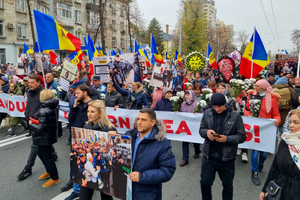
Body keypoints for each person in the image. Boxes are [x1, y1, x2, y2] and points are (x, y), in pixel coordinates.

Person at [119, 108, 176, 200]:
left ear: (152, 123)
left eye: (143, 120)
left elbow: (167, 171)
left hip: (148, 194)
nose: (139, 122)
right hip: (128, 190)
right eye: (138, 119)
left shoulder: (162, 143)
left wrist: (141, 176)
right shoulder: (129, 136)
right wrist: (112, 137)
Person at [199, 93, 246, 200]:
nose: (217, 109)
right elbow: (201, 130)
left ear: (225, 104)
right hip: (208, 156)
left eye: (219, 106)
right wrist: (207, 133)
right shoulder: (207, 113)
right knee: (205, 183)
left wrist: (227, 139)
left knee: (227, 186)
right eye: (214, 107)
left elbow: (242, 136)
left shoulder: (235, 115)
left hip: (226, 158)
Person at [244, 79, 281, 186]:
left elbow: (276, 114)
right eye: (255, 86)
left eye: (258, 86)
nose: (255, 88)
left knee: (264, 154)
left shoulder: (272, 99)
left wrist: (277, 121)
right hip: (255, 128)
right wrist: (248, 115)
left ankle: (261, 162)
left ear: (264, 87)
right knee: (255, 151)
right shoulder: (251, 97)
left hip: (266, 129)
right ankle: (254, 172)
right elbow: (247, 109)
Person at [79, 100, 117, 200]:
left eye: (92, 112)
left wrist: (114, 137)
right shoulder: (87, 126)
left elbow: (114, 150)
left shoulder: (109, 128)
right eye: (88, 111)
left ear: (100, 113)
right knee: (83, 196)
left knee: (105, 196)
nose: (89, 114)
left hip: (103, 169)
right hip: (90, 167)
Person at [259, 110, 300, 200]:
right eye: (290, 122)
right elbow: (275, 166)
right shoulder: (285, 141)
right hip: (279, 189)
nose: (291, 125)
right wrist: (264, 189)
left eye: (295, 122)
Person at [64, 84, 92, 200]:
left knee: (88, 165)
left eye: (77, 93)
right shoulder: (77, 103)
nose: (75, 95)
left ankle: (89, 186)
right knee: (76, 163)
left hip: (89, 138)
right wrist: (74, 107)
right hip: (76, 138)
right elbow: (70, 119)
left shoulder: (94, 104)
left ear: (85, 93)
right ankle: (76, 189)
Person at [30, 89, 60, 187]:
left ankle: (54, 177)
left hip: (44, 137)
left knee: (47, 157)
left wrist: (31, 124)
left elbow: (41, 128)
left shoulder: (44, 109)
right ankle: (49, 171)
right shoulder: (52, 107)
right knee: (42, 154)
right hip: (48, 136)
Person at [179, 90, 201, 166]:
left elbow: (202, 113)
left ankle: (197, 151)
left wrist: (197, 113)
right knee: (185, 142)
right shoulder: (183, 104)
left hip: (194, 126)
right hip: (185, 126)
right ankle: (185, 158)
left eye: (188, 95)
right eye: (186, 95)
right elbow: (181, 113)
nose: (187, 96)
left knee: (195, 141)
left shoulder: (196, 104)